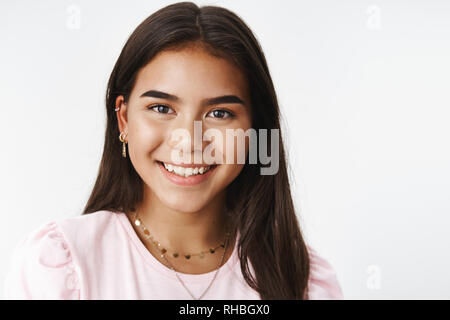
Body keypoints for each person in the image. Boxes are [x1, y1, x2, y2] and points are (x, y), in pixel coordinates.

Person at [3, 1, 343, 300]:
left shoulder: (302, 280)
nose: (189, 141)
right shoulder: (62, 265)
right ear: (123, 119)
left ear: (255, 132)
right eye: (162, 108)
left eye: (219, 113)